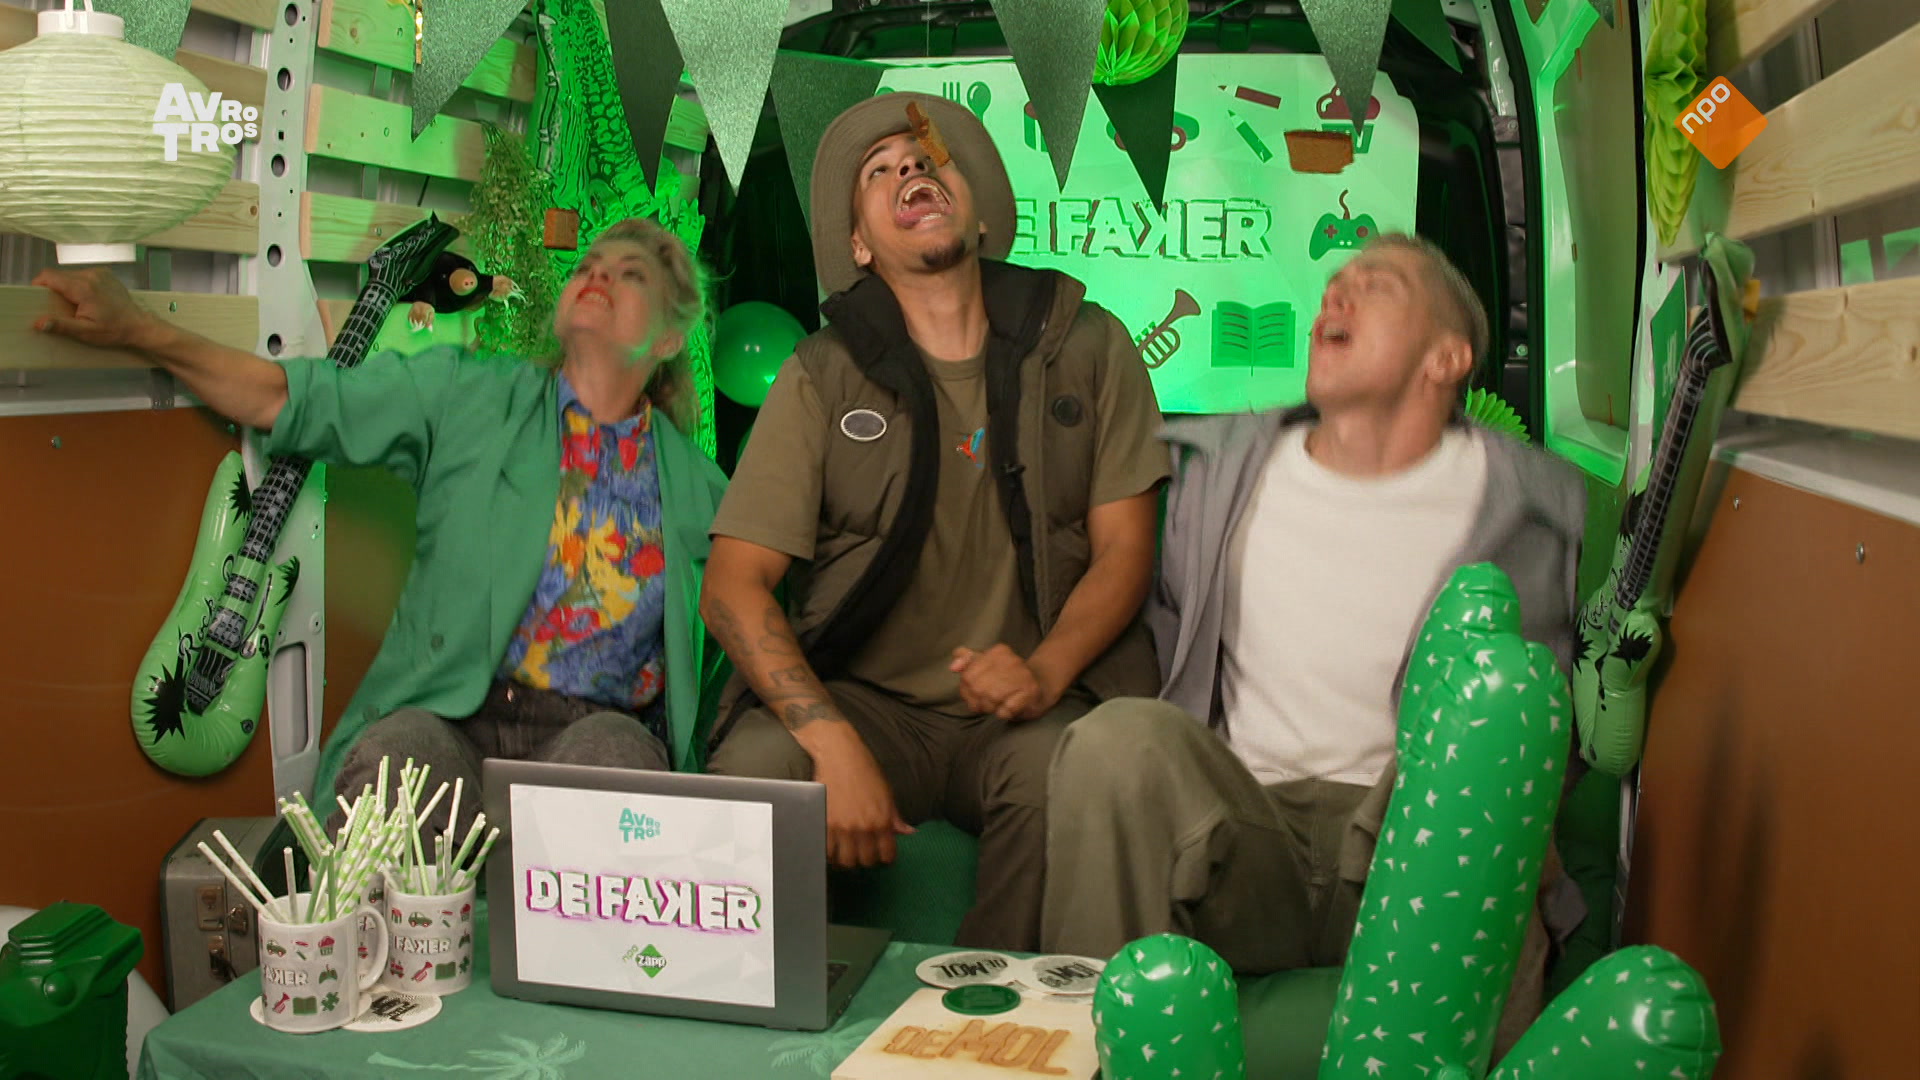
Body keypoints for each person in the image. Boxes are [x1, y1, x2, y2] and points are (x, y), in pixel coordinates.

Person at [1040, 233, 1588, 1049]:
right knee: (1113, 743)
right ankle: (1082, 1055)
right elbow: (1164, 643)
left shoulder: (1536, 510)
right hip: (1244, 835)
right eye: (1334, 283)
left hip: (1409, 844)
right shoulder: (1216, 472)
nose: (1338, 294)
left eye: (1377, 284)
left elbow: (1539, 726)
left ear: (1446, 357)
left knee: (1488, 775)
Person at [31, 217, 729, 844]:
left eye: (630, 274)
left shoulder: (704, 493)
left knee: (616, 760)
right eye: (588, 265)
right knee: (398, 761)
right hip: (451, 720)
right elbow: (284, 397)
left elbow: (743, 638)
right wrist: (137, 328)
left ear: (670, 338)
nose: (598, 275)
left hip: (594, 727)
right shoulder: (468, 395)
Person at [698, 92, 1169, 951]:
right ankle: (770, 1012)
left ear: (979, 214)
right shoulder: (821, 374)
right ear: (859, 244)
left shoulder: (1091, 346)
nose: (911, 168)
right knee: (763, 766)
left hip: (1024, 708)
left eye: (927, 159)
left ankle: (995, 1010)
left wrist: (1043, 673)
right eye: (878, 172)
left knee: (1073, 773)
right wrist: (832, 743)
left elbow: (1124, 554)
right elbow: (733, 586)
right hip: (869, 704)